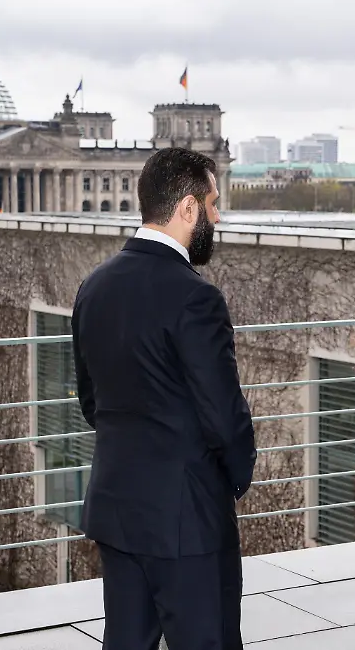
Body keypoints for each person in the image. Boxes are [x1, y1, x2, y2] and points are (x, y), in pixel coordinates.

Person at [71, 147, 257, 650]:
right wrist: (235, 479)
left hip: (116, 507)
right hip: (187, 519)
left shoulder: (94, 286)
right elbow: (223, 415)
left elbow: (92, 401)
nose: (218, 217)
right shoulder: (196, 296)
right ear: (188, 209)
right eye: (213, 204)